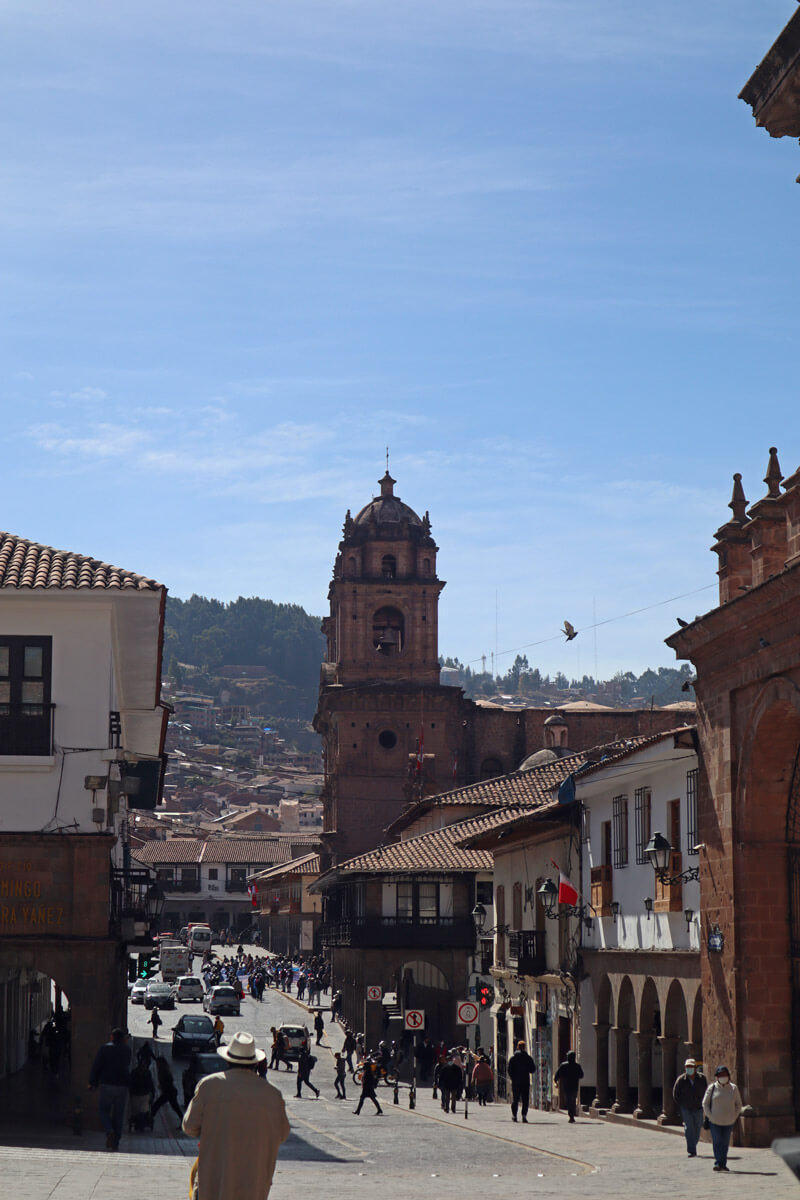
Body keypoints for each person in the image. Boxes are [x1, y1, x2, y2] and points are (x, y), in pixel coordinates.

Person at [183, 1032, 290, 1200]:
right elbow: (282, 1134)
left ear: (227, 1060)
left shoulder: (209, 1086)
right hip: (253, 1187)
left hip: (214, 1185)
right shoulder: (272, 1094)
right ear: (255, 1063)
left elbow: (189, 1127)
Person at [88, 1027, 131, 1151]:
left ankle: (109, 1130)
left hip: (107, 1084)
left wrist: (92, 1082)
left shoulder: (104, 1048)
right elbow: (127, 1063)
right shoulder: (127, 1050)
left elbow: (97, 1066)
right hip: (122, 1085)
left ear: (112, 1037)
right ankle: (116, 1141)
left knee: (103, 1110)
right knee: (118, 1115)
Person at [703, 1065, 743, 1172]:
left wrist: (734, 1116)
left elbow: (738, 1104)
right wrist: (710, 1116)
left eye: (724, 1075)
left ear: (728, 1076)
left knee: (725, 1143)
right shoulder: (712, 1088)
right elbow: (705, 1104)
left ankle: (723, 1164)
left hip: (728, 1122)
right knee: (717, 1142)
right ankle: (717, 1162)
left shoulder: (733, 1088)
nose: (723, 1077)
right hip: (715, 1121)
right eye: (720, 1075)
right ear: (717, 1077)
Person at [673, 1057, 708, 1157]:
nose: (689, 1068)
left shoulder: (702, 1079)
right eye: (687, 1067)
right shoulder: (681, 1080)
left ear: (695, 1068)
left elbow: (706, 1091)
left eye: (691, 1066)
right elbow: (675, 1094)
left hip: (698, 1107)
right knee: (689, 1128)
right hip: (686, 1108)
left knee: (697, 1127)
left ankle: (693, 1143)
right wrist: (682, 1104)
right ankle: (692, 1150)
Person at [507, 1039, 536, 1123]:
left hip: (516, 1082)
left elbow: (509, 1070)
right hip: (525, 1081)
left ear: (517, 1047)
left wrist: (513, 1077)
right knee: (525, 1099)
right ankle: (524, 1115)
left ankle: (514, 1115)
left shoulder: (513, 1058)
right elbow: (533, 1069)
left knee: (515, 1099)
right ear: (524, 1047)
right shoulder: (528, 1058)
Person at [152, 1055, 184, 1125]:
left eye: (158, 1063)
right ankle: (183, 1121)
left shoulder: (164, 1071)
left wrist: (163, 1085)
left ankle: (150, 1119)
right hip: (169, 1092)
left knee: (157, 1105)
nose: (157, 1065)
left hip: (169, 1092)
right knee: (175, 1107)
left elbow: (169, 1080)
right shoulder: (162, 1070)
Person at [554, 1050, 584, 1123]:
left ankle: (571, 1115)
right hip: (574, 1086)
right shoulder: (577, 1066)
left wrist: (556, 1080)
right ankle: (572, 1114)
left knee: (568, 1100)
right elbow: (581, 1075)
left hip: (567, 1086)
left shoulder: (564, 1065)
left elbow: (558, 1074)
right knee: (573, 1100)